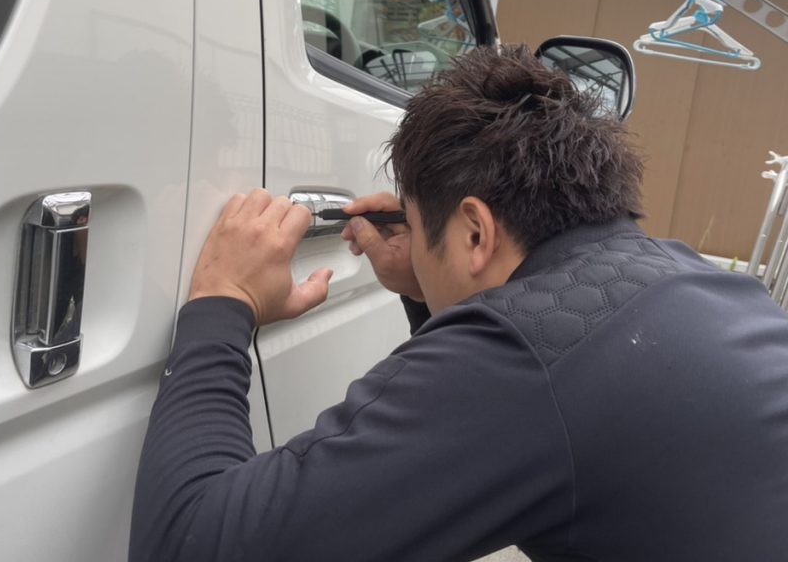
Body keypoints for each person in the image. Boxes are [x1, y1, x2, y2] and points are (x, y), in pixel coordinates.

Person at [129, 46, 788, 562]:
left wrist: (224, 299)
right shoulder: (681, 272)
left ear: (475, 232)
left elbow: (193, 543)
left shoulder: (529, 355)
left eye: (418, 227)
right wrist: (426, 276)